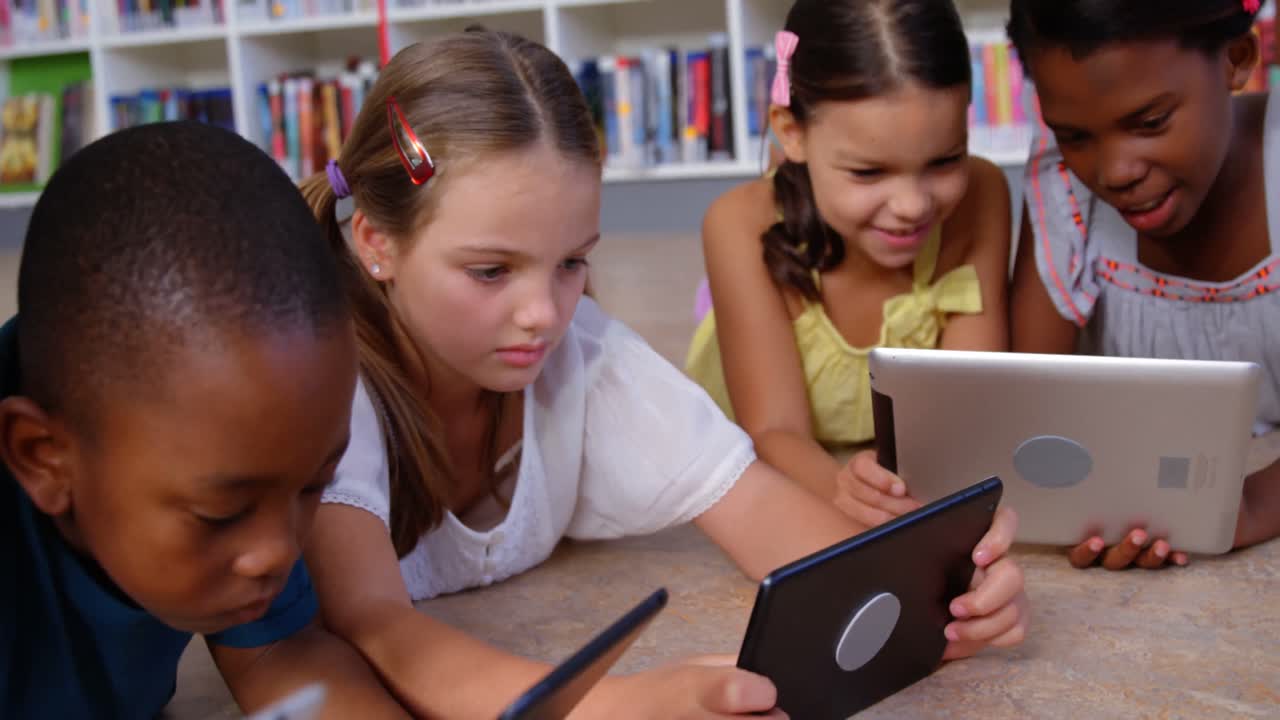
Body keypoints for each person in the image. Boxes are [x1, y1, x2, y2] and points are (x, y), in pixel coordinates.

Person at [299, 28, 1029, 718]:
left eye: (571, 263)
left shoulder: (582, 353)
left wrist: (934, 599)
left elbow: (757, 509)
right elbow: (375, 624)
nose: (544, 315)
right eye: (491, 271)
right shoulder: (330, 381)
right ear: (376, 243)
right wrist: (614, 705)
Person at [0, 122, 406, 718]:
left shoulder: (228, 449)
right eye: (222, 514)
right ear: (43, 458)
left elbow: (281, 657)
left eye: (313, 485)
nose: (278, 552)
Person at [683, 0, 1012, 525]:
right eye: (868, 172)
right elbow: (773, 430)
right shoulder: (734, 224)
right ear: (792, 132)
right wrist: (844, 490)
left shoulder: (984, 192)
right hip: (781, 451)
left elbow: (968, 399)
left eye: (945, 160)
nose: (912, 205)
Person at [1007, 0, 1280, 569]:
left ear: (1237, 58)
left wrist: (1248, 506)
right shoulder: (1065, 195)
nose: (1115, 171)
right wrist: (1086, 508)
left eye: (1150, 123)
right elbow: (1032, 409)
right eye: (1076, 135)